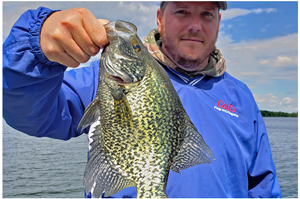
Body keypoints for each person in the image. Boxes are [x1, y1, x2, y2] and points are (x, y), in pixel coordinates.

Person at [3, 1, 282, 198]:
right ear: (160, 17)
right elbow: (30, 116)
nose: (195, 25)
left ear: (218, 22)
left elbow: (262, 186)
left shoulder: (242, 96)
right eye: (182, 11)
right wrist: (34, 44)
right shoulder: (102, 82)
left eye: (207, 14)